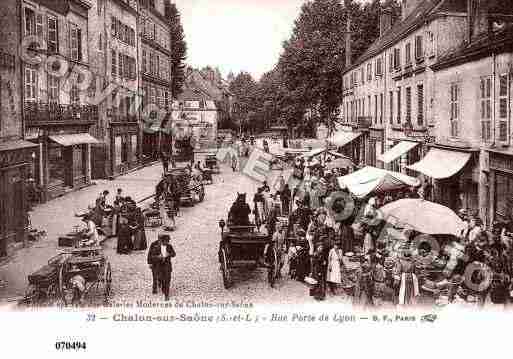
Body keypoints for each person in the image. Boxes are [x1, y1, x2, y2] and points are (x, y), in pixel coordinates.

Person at [147, 234, 176, 301]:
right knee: (161, 278)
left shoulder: (169, 246)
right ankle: (159, 287)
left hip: (167, 266)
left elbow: (174, 254)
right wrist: (157, 257)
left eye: (168, 241)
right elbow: (151, 256)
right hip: (159, 266)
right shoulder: (156, 246)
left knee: (168, 279)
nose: (167, 243)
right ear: (161, 241)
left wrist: (169, 254)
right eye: (165, 241)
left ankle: (167, 294)